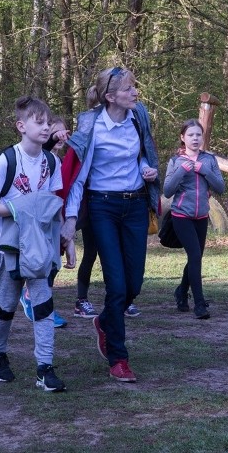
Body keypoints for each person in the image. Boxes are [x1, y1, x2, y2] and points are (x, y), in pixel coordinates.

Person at [60, 65, 160, 383]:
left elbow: (143, 153)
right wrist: (70, 219)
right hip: (102, 207)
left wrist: (147, 168)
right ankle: (119, 358)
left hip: (135, 207)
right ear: (110, 96)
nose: (135, 92)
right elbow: (78, 178)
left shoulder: (138, 116)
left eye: (135, 87)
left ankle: (104, 321)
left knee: (134, 285)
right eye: (130, 88)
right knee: (116, 285)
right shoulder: (92, 126)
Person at [0, 96, 66, 392]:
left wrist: (65, 240)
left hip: (40, 246)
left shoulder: (53, 162)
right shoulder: (7, 160)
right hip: (9, 245)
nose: (45, 128)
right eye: (38, 122)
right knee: (6, 303)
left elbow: (54, 206)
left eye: (48, 122)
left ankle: (45, 367)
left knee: (43, 303)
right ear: (21, 126)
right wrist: (20, 207)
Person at [163, 119, 225, 319]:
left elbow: (221, 188)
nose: (195, 138)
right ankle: (199, 304)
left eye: (198, 134)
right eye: (191, 135)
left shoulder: (209, 160)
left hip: (202, 216)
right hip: (181, 215)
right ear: (183, 138)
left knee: (195, 257)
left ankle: (181, 292)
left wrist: (203, 170)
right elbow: (167, 190)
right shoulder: (175, 162)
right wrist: (183, 171)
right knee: (195, 256)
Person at [19, 115, 71, 329]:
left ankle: (34, 298)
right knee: (43, 262)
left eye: (63, 132)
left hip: (56, 217)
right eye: (54, 132)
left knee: (53, 263)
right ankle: (33, 301)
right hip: (36, 218)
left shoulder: (61, 160)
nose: (59, 136)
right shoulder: (40, 157)